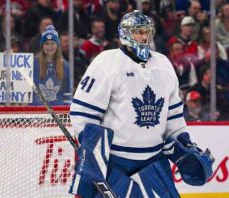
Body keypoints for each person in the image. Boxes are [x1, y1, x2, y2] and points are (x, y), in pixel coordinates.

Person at [69, 10, 214, 197]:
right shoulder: (107, 62)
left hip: (154, 162)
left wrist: (183, 145)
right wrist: (93, 154)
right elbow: (83, 112)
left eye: (147, 31)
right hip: (116, 163)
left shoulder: (163, 64)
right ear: (125, 33)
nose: (144, 36)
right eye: (138, 31)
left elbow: (174, 116)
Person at [29, 25, 72, 106]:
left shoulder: (65, 65)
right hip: (37, 111)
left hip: (58, 112)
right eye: (46, 43)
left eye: (52, 43)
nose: (49, 47)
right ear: (42, 45)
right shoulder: (33, 63)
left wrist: (66, 113)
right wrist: (11, 57)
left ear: (57, 45)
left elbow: (68, 92)